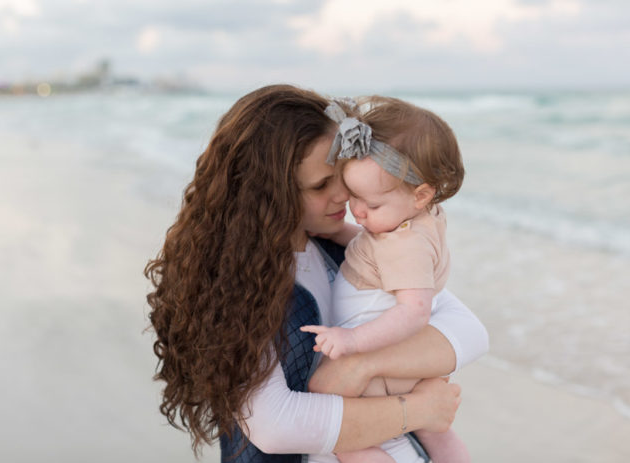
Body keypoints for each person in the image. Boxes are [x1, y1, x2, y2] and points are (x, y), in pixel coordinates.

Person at [144, 84, 488, 463]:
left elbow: (469, 330)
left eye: (339, 173)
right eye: (321, 185)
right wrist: (418, 410)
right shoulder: (237, 284)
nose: (344, 195)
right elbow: (276, 426)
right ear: (269, 193)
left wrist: (362, 364)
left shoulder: (351, 245)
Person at [302, 96, 473, 462]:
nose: (358, 212)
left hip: (374, 356)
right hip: (400, 366)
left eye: (371, 205)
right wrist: (339, 233)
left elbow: (414, 312)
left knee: (343, 435)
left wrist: (352, 341)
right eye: (354, 197)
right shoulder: (413, 219)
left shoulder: (406, 245)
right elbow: (376, 254)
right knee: (435, 430)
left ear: (421, 194)